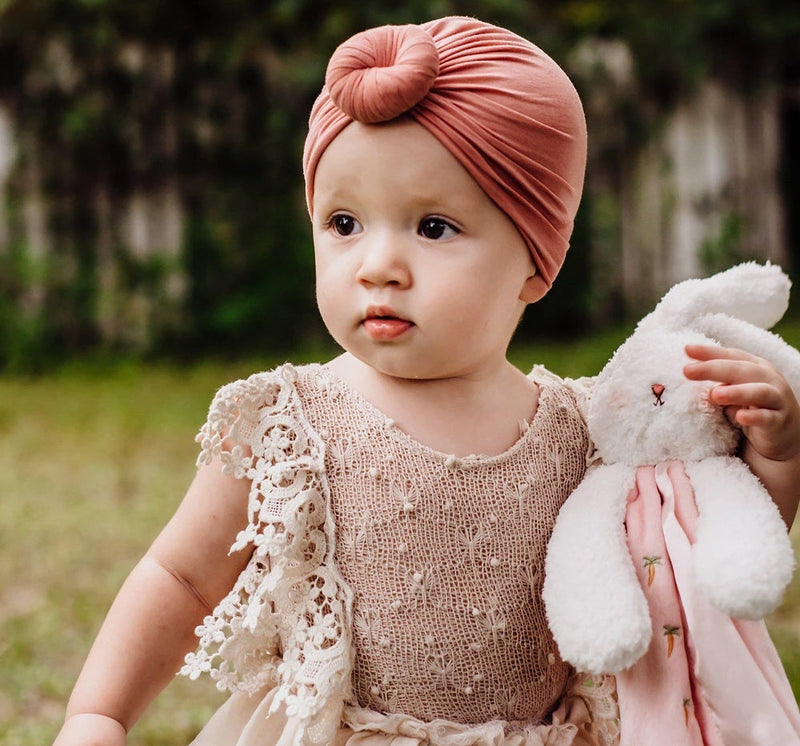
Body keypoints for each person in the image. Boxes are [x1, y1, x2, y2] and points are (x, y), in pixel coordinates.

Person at [53, 16, 800, 746]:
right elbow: (181, 576)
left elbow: (695, 554)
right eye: (344, 223)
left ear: (538, 262)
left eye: (433, 227)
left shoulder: (584, 427)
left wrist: (778, 456)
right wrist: (99, 714)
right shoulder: (290, 421)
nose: (377, 265)